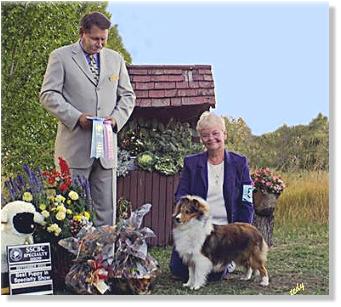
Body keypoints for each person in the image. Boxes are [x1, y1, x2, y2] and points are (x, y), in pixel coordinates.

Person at [40, 12, 135, 226]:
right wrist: (76, 117)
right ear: (82, 33)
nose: (100, 44)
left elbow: (128, 96)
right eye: (95, 39)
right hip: (74, 149)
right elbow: (48, 95)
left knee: (105, 213)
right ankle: (75, 260)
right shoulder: (60, 56)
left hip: (106, 149)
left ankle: (105, 259)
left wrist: (116, 119)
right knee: (72, 213)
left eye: (104, 39)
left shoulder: (116, 59)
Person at [169, 111, 254, 281]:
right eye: (205, 135)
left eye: (215, 133)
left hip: (225, 232)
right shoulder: (191, 163)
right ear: (201, 139)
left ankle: (228, 260)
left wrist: (242, 233)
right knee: (178, 270)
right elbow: (181, 195)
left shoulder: (240, 163)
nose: (211, 138)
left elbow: (247, 199)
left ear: (225, 134)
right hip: (199, 230)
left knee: (214, 275)